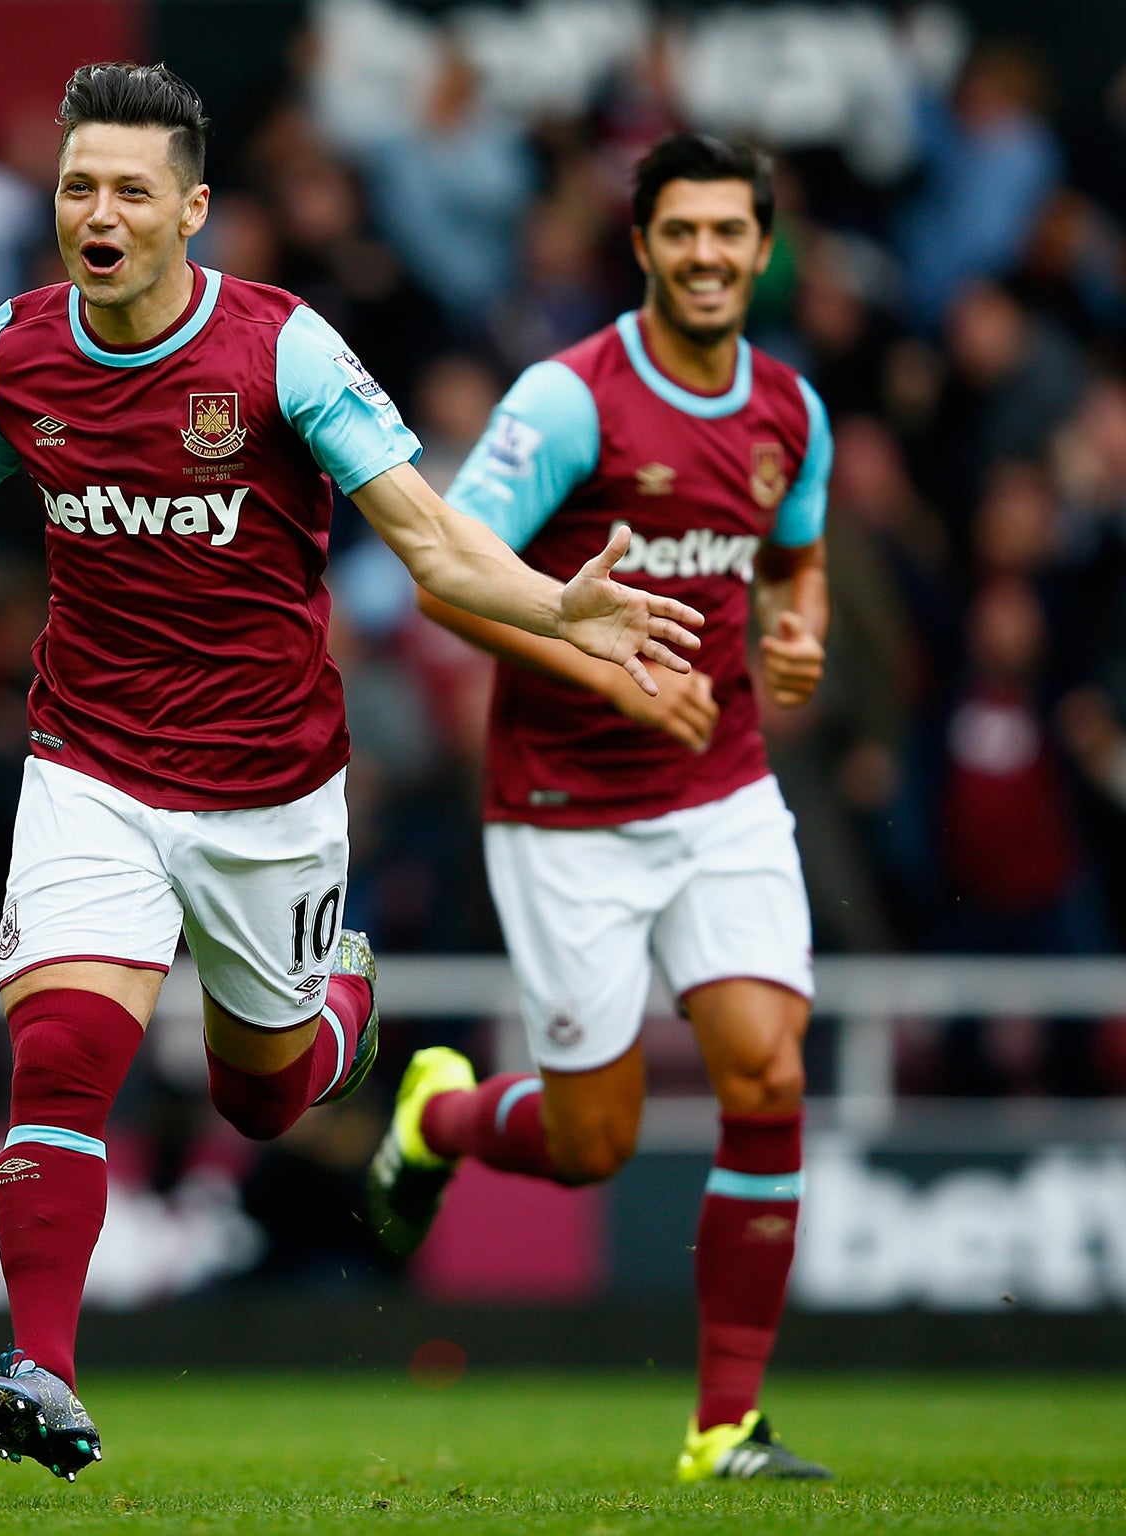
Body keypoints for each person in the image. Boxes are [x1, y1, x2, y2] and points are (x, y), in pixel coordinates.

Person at [0, 62, 698, 1482]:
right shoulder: (18, 354)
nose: (98, 213)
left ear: (192, 211)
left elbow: (430, 538)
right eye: (78, 186)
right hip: (87, 764)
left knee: (266, 1096)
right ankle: (42, 1363)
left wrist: (556, 607)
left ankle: (346, 1002)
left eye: (130, 191)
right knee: (63, 1054)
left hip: (272, 790)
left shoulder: (281, 351)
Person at [365, 133, 833, 1482]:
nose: (704, 255)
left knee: (770, 1074)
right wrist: (615, 681)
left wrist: (795, 633)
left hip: (725, 787)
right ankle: (439, 1117)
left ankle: (725, 1427)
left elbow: (793, 564)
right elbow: (451, 581)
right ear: (641, 246)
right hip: (565, 804)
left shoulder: (790, 411)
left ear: (759, 247)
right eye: (678, 232)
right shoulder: (569, 402)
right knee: (592, 1144)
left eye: (728, 234)